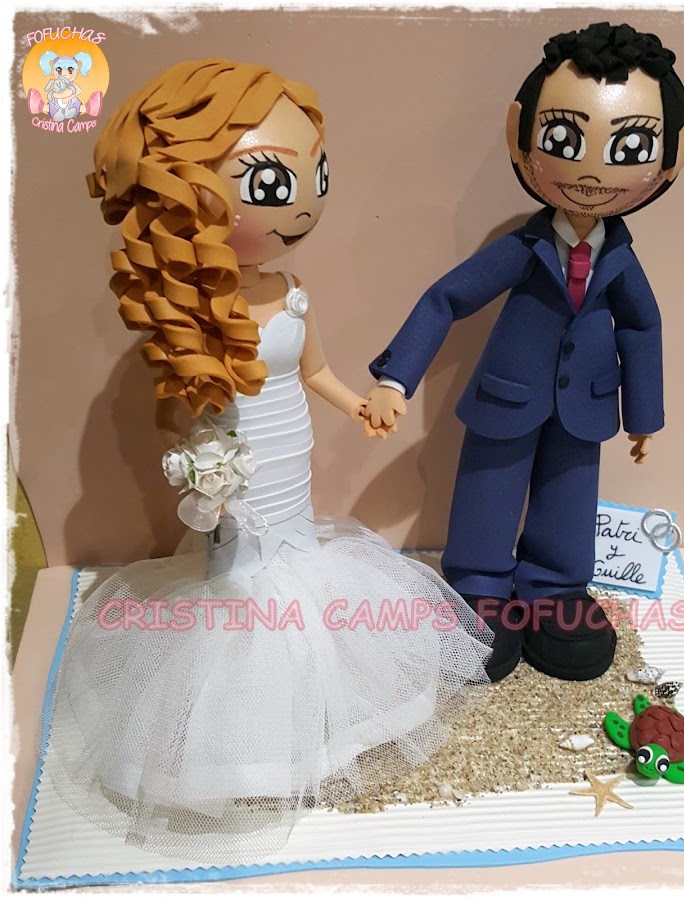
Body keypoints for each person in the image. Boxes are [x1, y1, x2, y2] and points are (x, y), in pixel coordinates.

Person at [45, 59, 491, 866]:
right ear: (183, 197)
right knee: (240, 584)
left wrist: (359, 403)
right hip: (235, 471)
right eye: (275, 185)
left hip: (293, 454)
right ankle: (238, 750)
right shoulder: (188, 310)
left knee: (299, 559)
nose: (305, 207)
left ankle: (311, 722)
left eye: (316, 179)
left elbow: (313, 370)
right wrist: (201, 469)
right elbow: (188, 407)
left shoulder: (290, 290)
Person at [363, 22, 684, 683]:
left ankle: (555, 587)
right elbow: (446, 299)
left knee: (570, 497)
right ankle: (479, 584)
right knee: (488, 492)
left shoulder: (620, 260)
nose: (592, 171)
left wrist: (644, 416)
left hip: (588, 405)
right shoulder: (522, 248)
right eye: (565, 141)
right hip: (505, 398)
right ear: (522, 136)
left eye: (629, 147)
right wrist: (395, 379)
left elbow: (642, 328)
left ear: (672, 157)